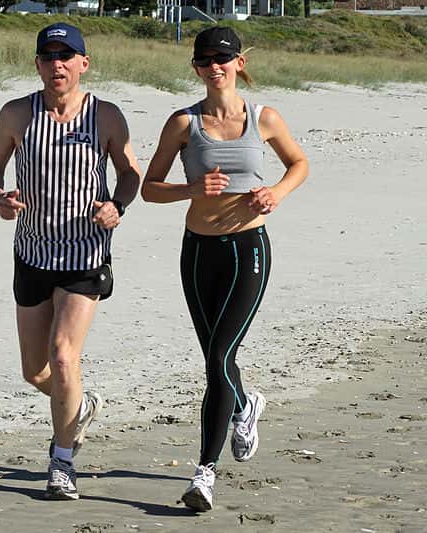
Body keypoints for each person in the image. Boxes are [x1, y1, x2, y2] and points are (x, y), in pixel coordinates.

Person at [141, 26, 308, 512]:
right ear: (196, 67)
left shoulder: (265, 118)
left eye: (224, 58)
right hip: (198, 252)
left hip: (248, 250)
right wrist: (191, 190)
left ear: (240, 62)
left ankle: (203, 475)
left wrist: (275, 192)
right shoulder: (182, 123)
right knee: (216, 355)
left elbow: (299, 164)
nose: (215, 66)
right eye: (206, 59)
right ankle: (245, 404)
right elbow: (150, 188)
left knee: (218, 359)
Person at [0, 22, 141, 501]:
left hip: (84, 255)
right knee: (36, 372)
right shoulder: (15, 114)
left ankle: (62, 460)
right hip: (31, 253)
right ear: (37, 65)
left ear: (83, 64)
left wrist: (118, 205)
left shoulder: (106, 116)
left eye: (67, 56)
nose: (58, 65)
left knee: (64, 355)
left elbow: (130, 172)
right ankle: (80, 404)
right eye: (48, 57)